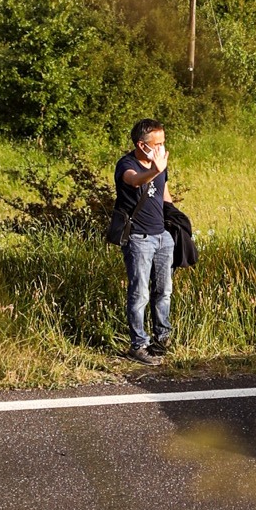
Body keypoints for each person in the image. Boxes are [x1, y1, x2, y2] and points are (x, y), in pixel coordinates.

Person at [113, 118, 172, 365]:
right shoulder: (127, 165)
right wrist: (154, 170)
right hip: (139, 238)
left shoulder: (161, 164)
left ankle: (163, 339)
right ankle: (138, 345)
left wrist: (176, 226)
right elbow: (134, 180)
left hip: (162, 236)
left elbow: (165, 196)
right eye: (156, 143)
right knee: (140, 294)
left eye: (163, 143)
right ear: (142, 144)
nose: (161, 148)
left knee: (164, 291)